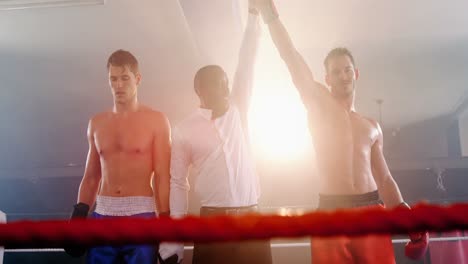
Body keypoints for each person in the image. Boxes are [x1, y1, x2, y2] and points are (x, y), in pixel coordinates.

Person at [251, 0, 429, 263]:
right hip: (332, 213)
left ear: (356, 73)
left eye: (347, 69)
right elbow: (290, 55)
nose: (343, 75)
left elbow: (385, 179)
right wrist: (270, 14)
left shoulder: (371, 125)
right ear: (327, 79)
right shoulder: (318, 104)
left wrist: (405, 212)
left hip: (372, 211)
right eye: (336, 71)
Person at [158, 5, 272, 264]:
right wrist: (174, 239)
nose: (226, 90)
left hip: (253, 218)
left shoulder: (238, 107)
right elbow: (177, 183)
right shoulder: (184, 129)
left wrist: (254, 15)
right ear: (200, 91)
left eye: (226, 84)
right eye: (218, 86)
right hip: (212, 222)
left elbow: (247, 62)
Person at [64, 49, 171, 264]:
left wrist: (166, 223)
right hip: (102, 216)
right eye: (113, 79)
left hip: (141, 217)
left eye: (125, 78)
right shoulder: (96, 122)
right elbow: (92, 176)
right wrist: (78, 216)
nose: (119, 85)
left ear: (137, 79)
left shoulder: (157, 121)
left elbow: (162, 175)